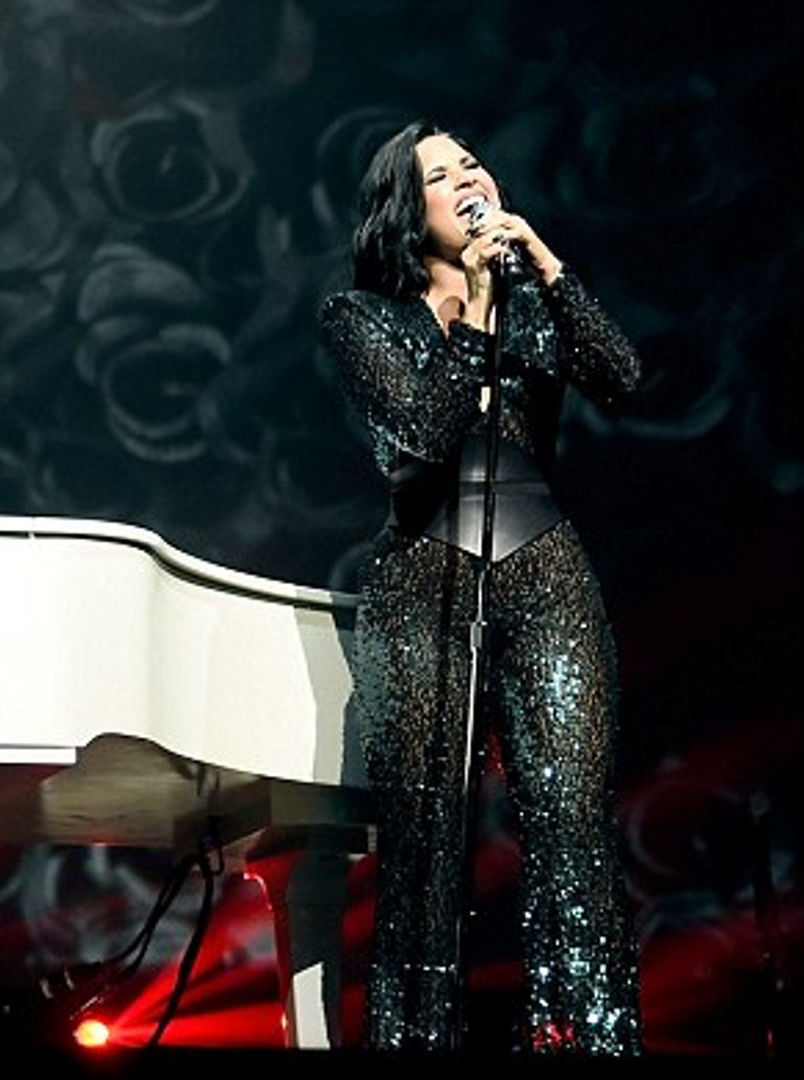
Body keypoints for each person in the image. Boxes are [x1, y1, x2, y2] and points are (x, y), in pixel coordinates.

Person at [319, 121, 644, 1054]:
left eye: (472, 163)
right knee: (424, 840)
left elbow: (620, 375)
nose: (469, 178)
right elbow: (422, 436)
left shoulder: (534, 300)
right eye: (441, 173)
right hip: (423, 586)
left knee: (570, 821)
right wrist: (472, 310)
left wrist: (543, 264)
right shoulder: (359, 317)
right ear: (402, 207)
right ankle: (415, 1039)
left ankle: (588, 1039)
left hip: (546, 575)